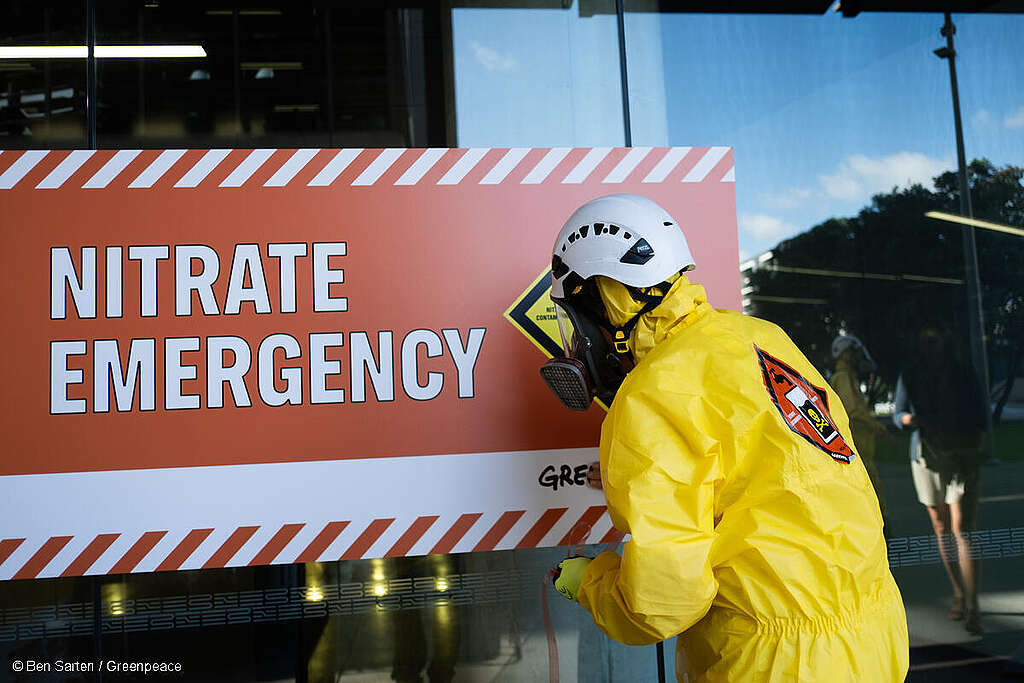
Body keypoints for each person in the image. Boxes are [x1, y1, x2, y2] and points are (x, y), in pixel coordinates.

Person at [539, 194, 908, 682]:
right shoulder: (761, 337)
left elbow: (664, 601)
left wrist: (592, 582)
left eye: (576, 318)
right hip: (874, 637)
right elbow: (775, 467)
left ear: (602, 299)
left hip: (774, 663)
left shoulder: (650, 393)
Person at [893, 322, 986, 635]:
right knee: (941, 526)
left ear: (946, 340)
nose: (930, 344)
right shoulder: (912, 374)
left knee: (963, 529)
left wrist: (972, 449)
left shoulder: (962, 373)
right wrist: (912, 419)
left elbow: (980, 417)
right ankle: (959, 593)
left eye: (936, 337)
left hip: (959, 457)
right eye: (925, 338)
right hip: (926, 456)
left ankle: (973, 606)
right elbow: (898, 414)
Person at [829, 334, 891, 526]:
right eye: (854, 353)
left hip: (860, 447)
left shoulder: (845, 377)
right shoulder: (844, 377)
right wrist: (881, 429)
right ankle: (884, 534)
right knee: (871, 493)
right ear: (846, 354)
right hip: (857, 447)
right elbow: (853, 410)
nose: (858, 358)